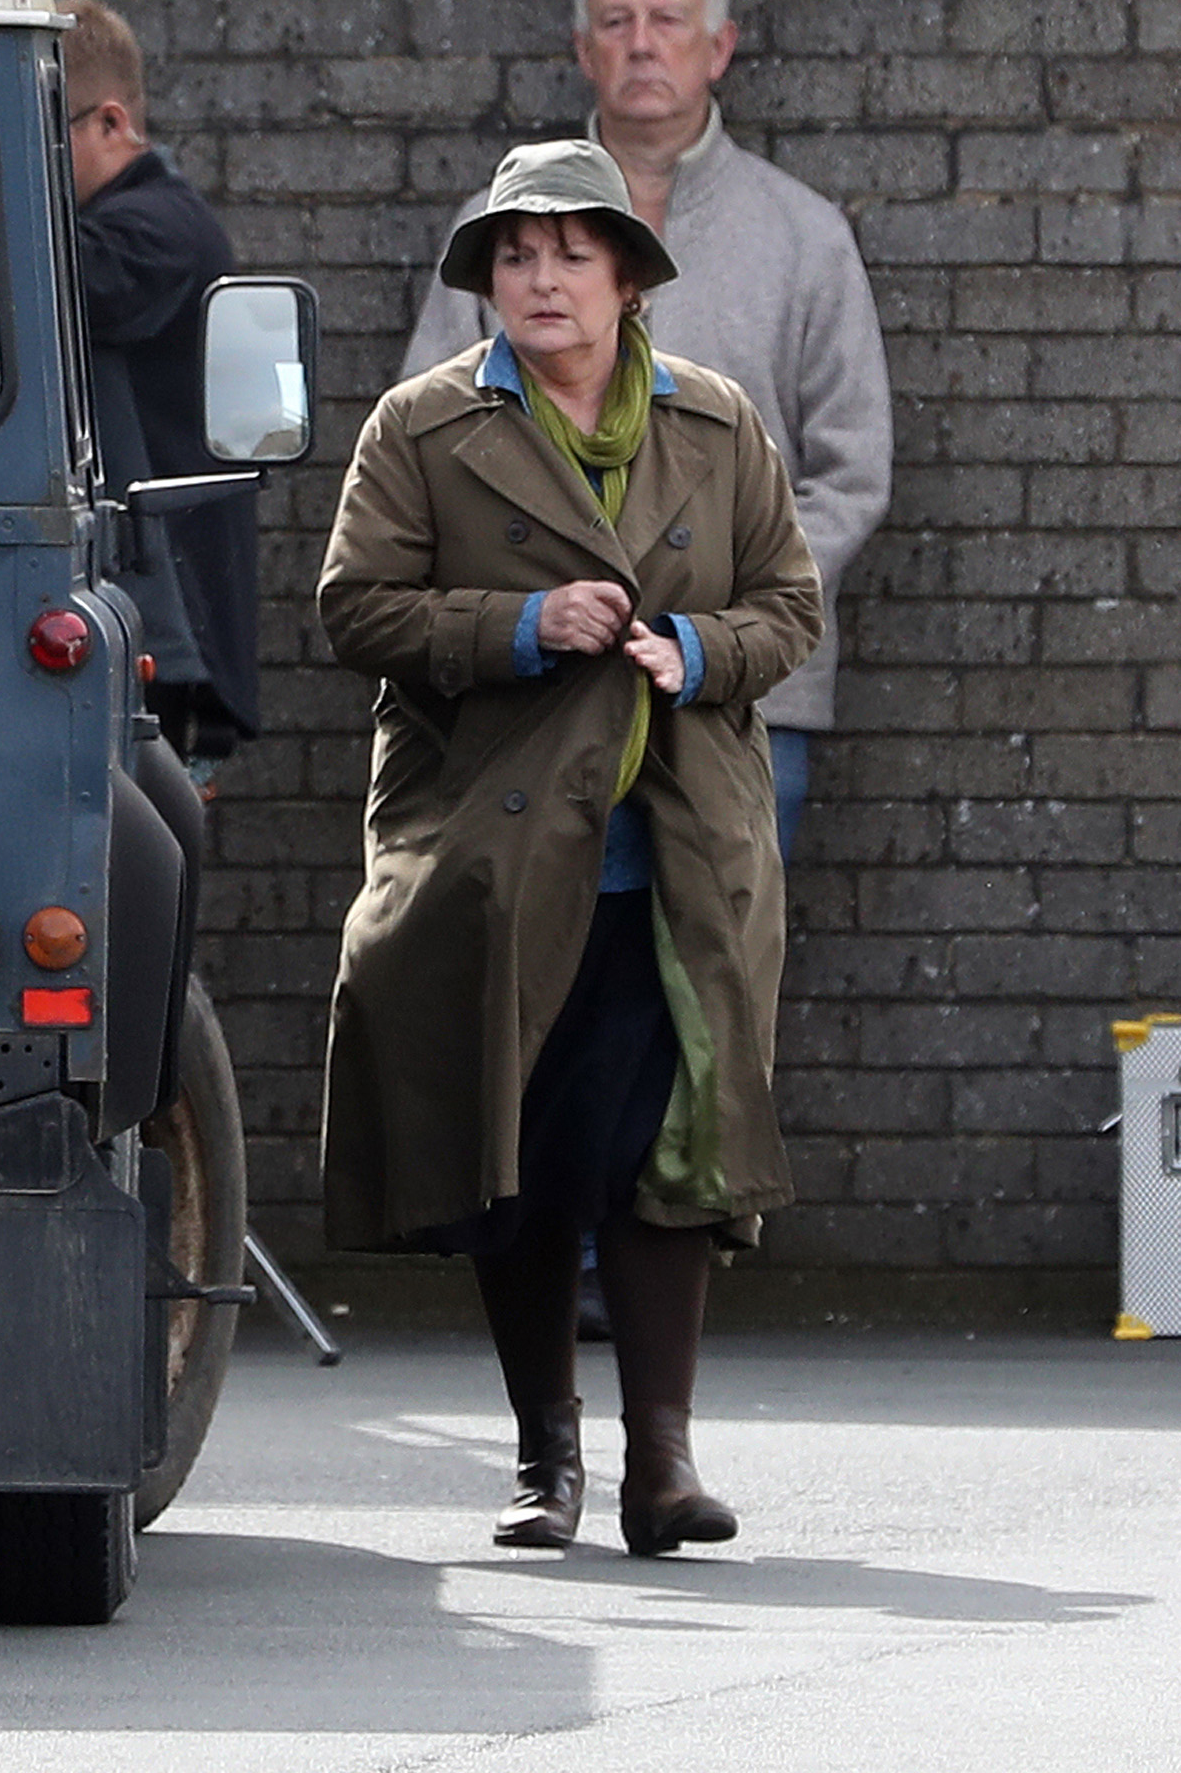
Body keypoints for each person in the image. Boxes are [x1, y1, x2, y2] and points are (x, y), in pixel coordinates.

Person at [318, 141, 823, 1555]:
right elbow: (354, 608)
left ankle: (661, 1467)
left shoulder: (715, 425)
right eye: (513, 255)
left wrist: (701, 648)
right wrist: (517, 630)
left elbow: (791, 605)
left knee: (669, 1151)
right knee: (525, 1155)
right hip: (498, 849)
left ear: (624, 278)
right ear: (486, 279)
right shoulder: (421, 426)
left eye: (569, 253)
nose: (539, 279)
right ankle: (548, 1465)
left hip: (674, 855)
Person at [403, 0, 893, 864]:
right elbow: (428, 445)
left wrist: (727, 616)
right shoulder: (493, 234)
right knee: (531, 995)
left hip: (741, 703)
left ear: (719, 47)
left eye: (666, 21)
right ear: (583, 52)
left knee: (711, 997)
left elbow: (852, 473)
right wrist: (529, 614)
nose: (641, 45)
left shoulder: (803, 237)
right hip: (528, 698)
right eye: (617, 23)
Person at [62, 0, 255, 767]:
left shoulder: (157, 230)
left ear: (112, 124)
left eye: (44, 130)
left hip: (165, 638)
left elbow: (46, 284)